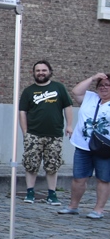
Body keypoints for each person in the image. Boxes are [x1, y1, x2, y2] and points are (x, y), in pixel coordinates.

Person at [18, 60, 73, 205]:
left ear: (50, 72)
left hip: (54, 134)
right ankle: (30, 192)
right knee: (31, 164)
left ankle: (52, 194)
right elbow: (22, 112)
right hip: (33, 134)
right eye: (38, 70)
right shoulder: (28, 91)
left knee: (52, 165)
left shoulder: (59, 87)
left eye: (44, 70)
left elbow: (67, 107)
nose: (41, 73)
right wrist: (25, 131)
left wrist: (69, 125)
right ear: (33, 73)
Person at [57, 72, 110, 219]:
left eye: (107, 85)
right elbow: (76, 92)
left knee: (103, 179)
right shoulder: (90, 97)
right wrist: (93, 78)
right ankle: (73, 206)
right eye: (101, 85)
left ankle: (98, 210)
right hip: (83, 145)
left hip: (105, 148)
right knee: (79, 178)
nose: (104, 87)